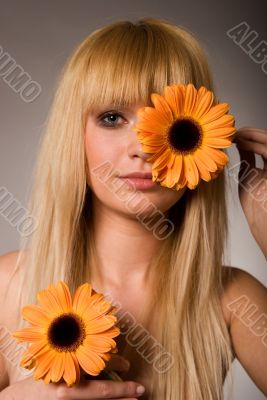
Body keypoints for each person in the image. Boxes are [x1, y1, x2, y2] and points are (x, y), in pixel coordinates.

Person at [0, 16, 267, 400]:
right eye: (112, 118)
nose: (142, 148)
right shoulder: (10, 284)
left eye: (172, 124)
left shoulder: (231, 298)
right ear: (74, 136)